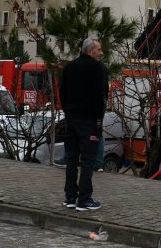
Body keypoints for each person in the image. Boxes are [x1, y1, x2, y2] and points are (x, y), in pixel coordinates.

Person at [59, 38, 109, 212]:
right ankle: (84, 199)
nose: (101, 53)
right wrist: (98, 119)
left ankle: (70, 197)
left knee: (72, 159)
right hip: (88, 121)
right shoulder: (97, 68)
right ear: (90, 51)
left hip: (71, 119)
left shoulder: (69, 67)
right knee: (88, 160)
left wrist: (68, 111)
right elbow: (100, 96)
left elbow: (62, 93)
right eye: (98, 50)